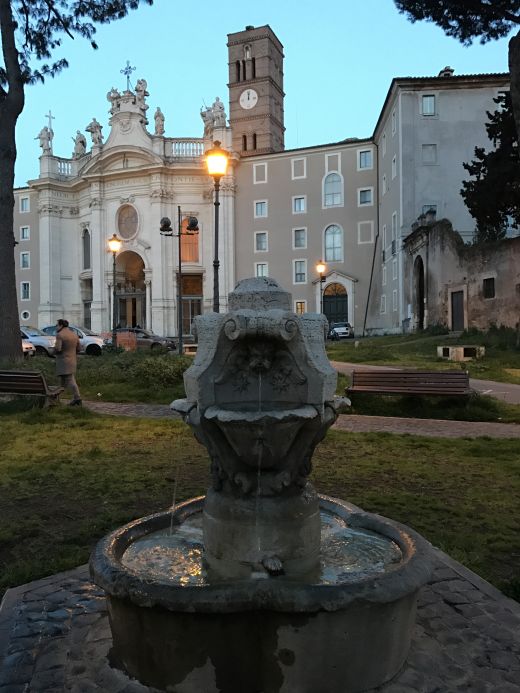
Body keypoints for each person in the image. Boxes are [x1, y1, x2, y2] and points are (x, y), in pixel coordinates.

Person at [54, 319, 82, 406]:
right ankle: (57, 397)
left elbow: (58, 349)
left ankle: (77, 398)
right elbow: (79, 348)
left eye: (57, 325)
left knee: (70, 380)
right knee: (63, 381)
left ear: (61, 325)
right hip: (72, 360)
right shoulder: (74, 334)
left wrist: (52, 350)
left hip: (63, 361)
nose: (56, 327)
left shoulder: (60, 335)